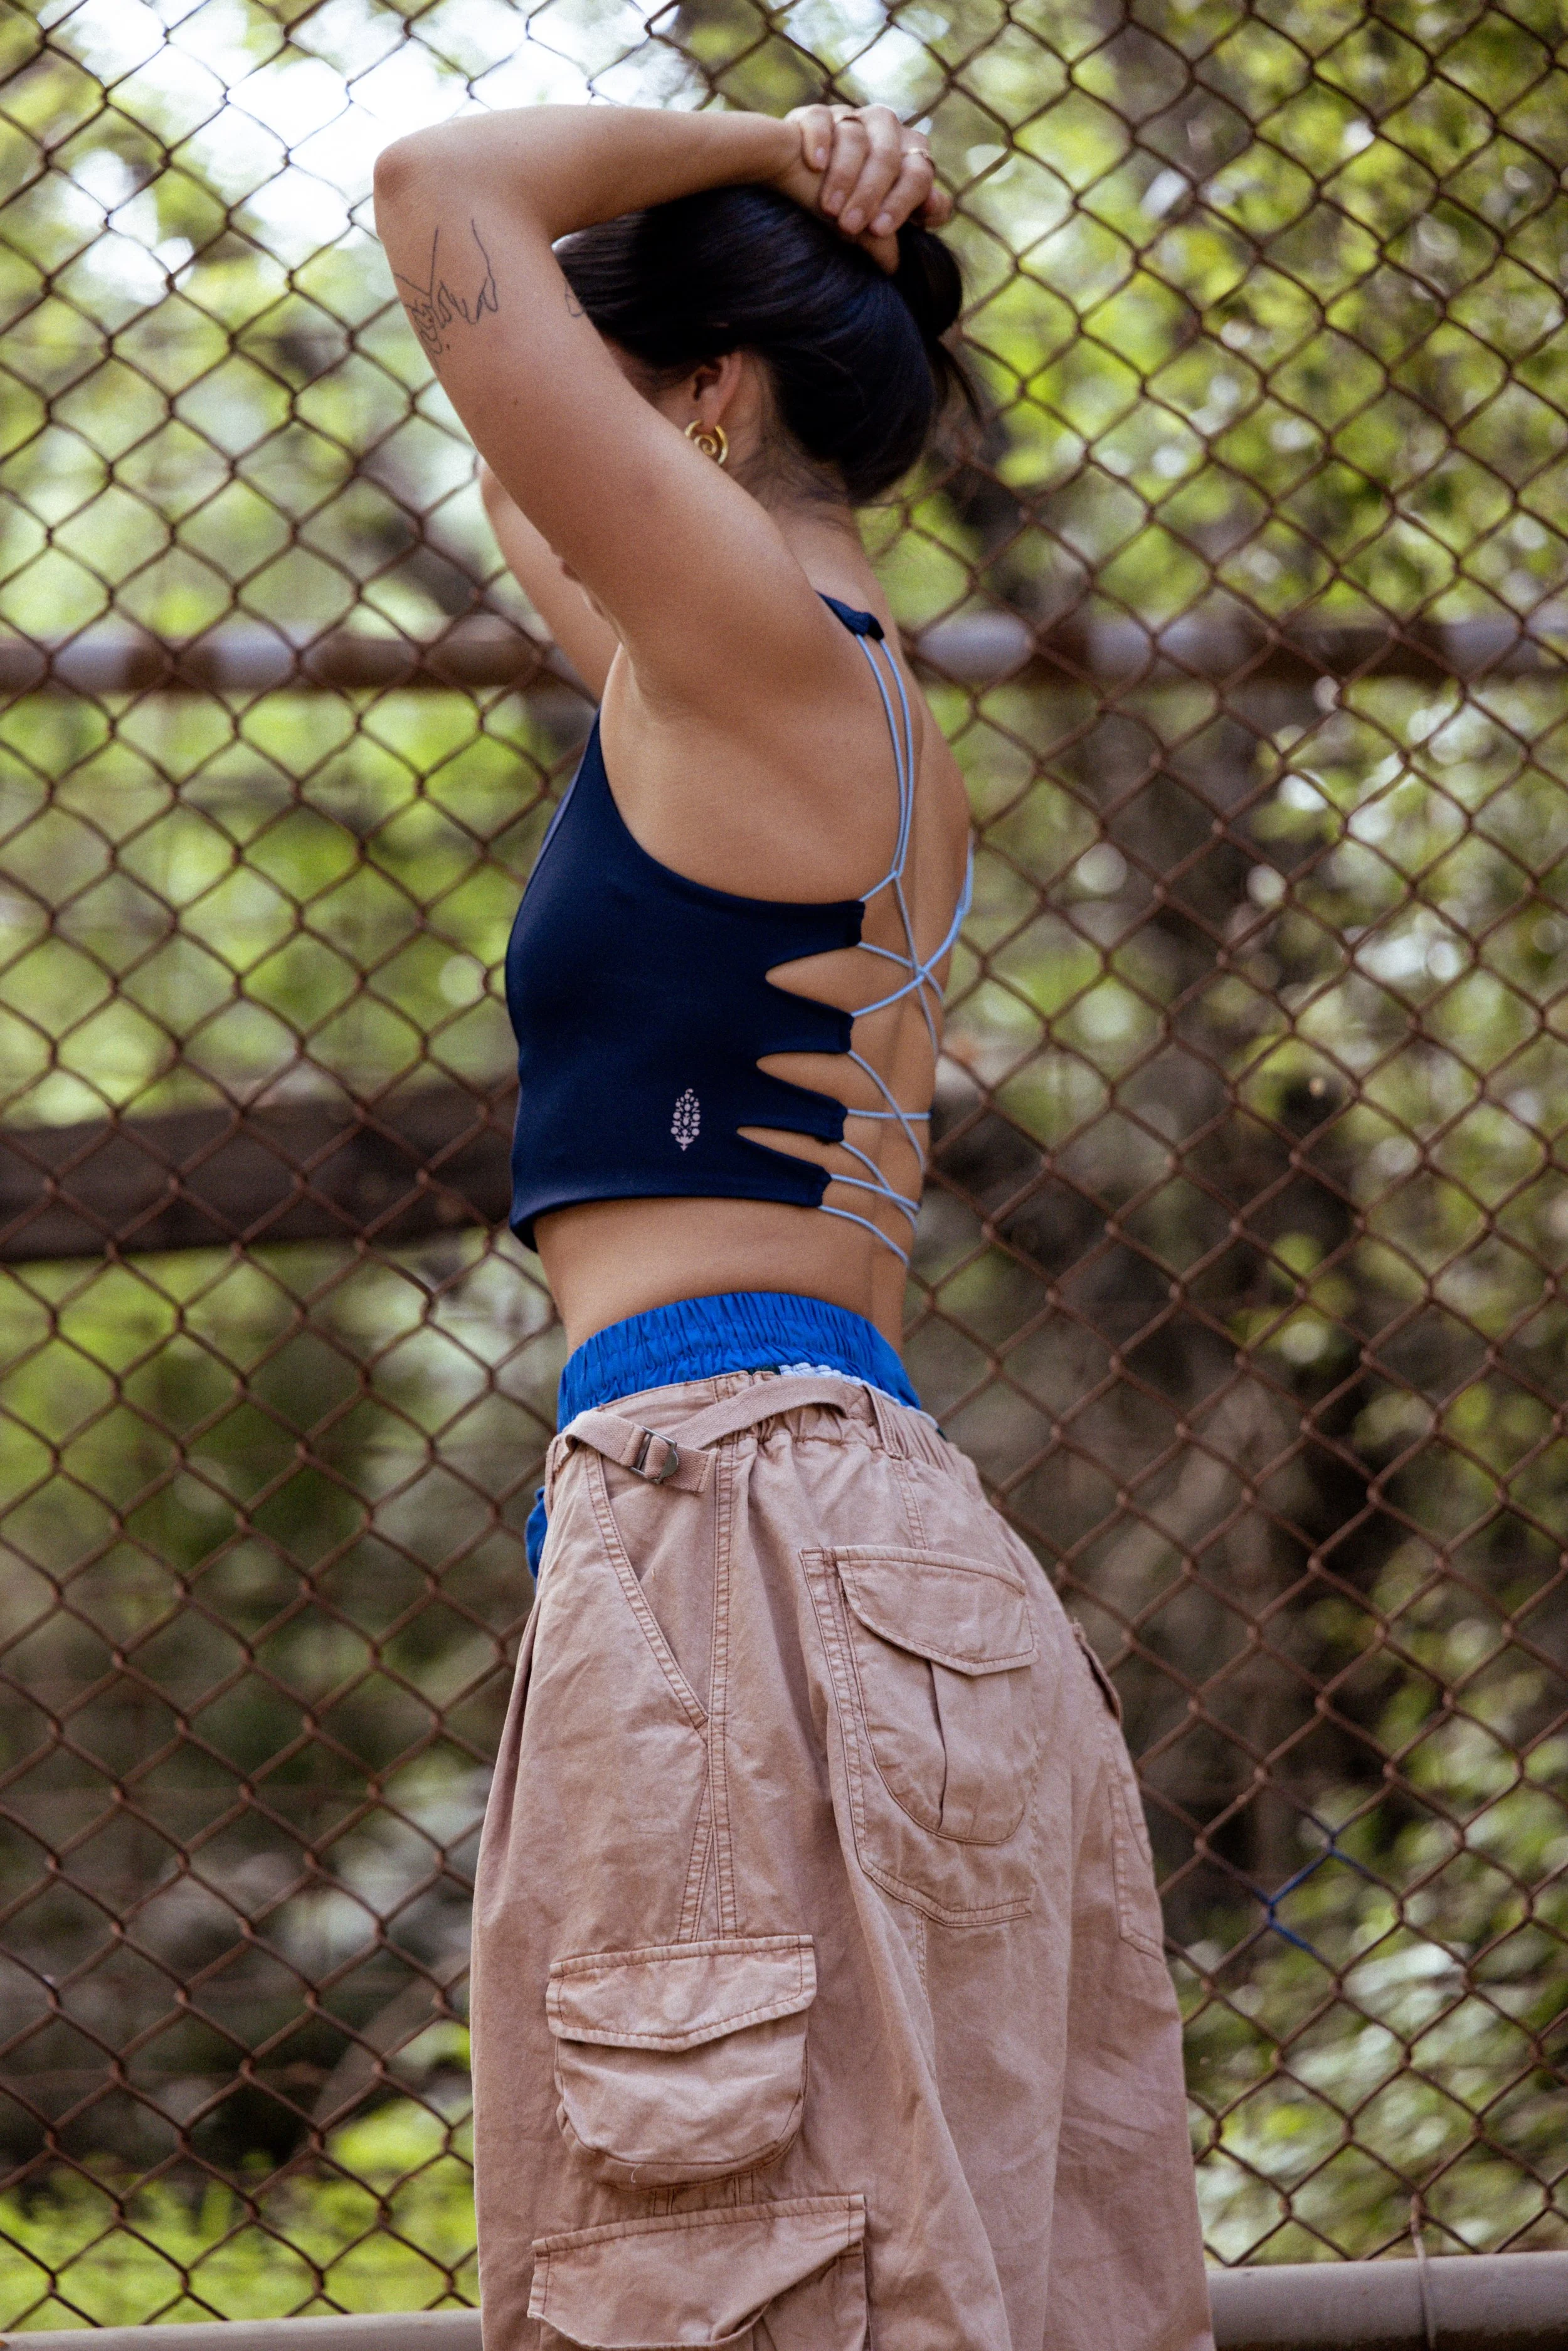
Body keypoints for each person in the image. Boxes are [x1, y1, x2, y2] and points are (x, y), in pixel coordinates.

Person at [373, 97, 1211, 2351]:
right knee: (935, 2279)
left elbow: (439, 198)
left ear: (715, 404)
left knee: (722, 2280)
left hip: (731, 1523)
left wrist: (771, 137)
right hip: (857, 1519)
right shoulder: (813, 687)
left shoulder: (746, 644)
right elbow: (505, 454)